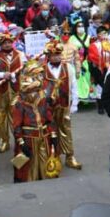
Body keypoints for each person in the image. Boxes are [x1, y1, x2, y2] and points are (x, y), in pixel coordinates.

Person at [12, 61, 59, 183]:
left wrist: (53, 135)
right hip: (28, 139)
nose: (40, 79)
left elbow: (49, 118)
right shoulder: (19, 102)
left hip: (44, 137)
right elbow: (16, 125)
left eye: (40, 76)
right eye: (37, 76)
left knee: (46, 166)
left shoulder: (42, 98)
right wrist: (21, 142)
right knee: (27, 168)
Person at [41, 41, 81, 170]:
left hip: (64, 106)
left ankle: (70, 157)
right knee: (51, 131)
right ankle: (55, 156)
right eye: (54, 55)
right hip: (49, 108)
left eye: (58, 55)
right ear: (49, 56)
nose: (57, 57)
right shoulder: (42, 69)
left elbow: (74, 84)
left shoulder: (68, 67)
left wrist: (74, 102)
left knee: (66, 131)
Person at [0, 31, 26, 154]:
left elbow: (26, 70)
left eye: (9, 42)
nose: (7, 45)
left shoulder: (20, 55)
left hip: (17, 91)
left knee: (17, 116)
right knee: (0, 117)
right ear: (0, 44)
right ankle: (4, 140)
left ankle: (19, 140)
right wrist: (2, 74)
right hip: (1, 91)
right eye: (4, 43)